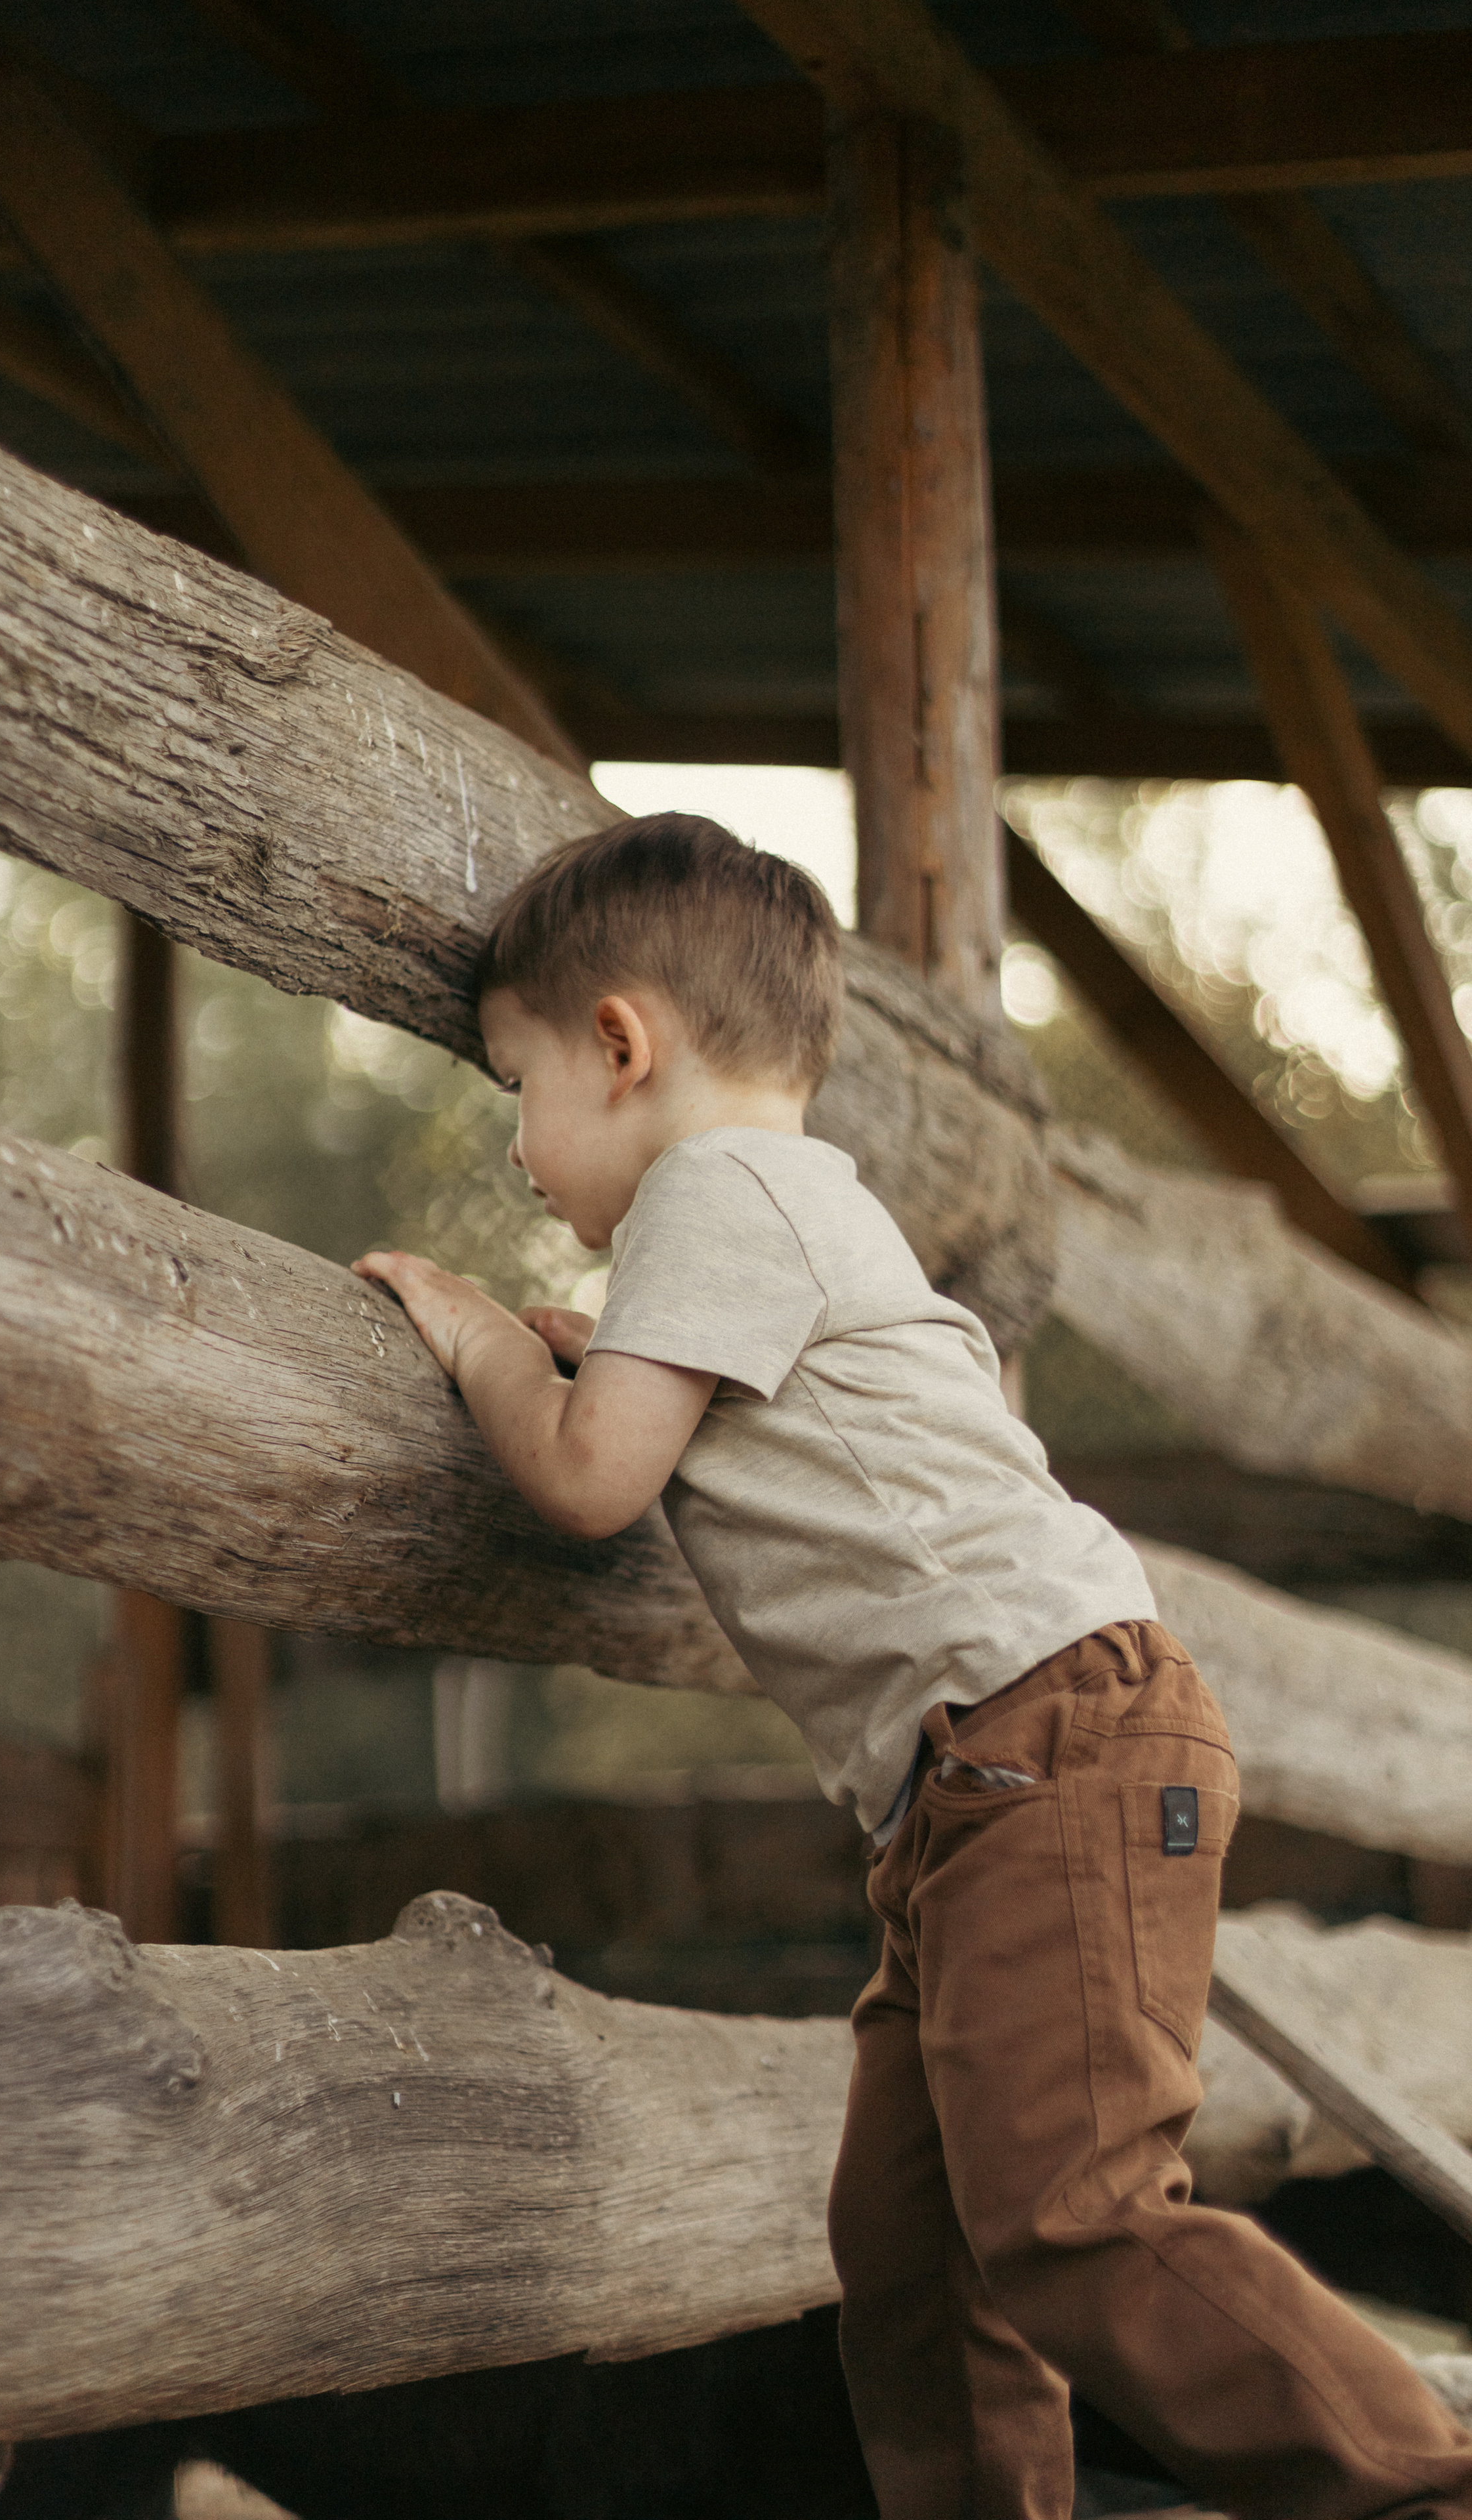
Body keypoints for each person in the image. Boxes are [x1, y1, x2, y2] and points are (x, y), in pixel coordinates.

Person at [355, 810, 1472, 2520]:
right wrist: (590, 1352)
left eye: (516, 1089)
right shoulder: (783, 1206)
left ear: (621, 1044)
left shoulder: (712, 1192)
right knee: (913, 2246)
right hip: (983, 1781)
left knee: (1071, 2217)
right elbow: (677, 1401)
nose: (517, 1150)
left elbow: (588, 1477)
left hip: (1047, 1744)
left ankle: (1414, 2482)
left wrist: (479, 1335)